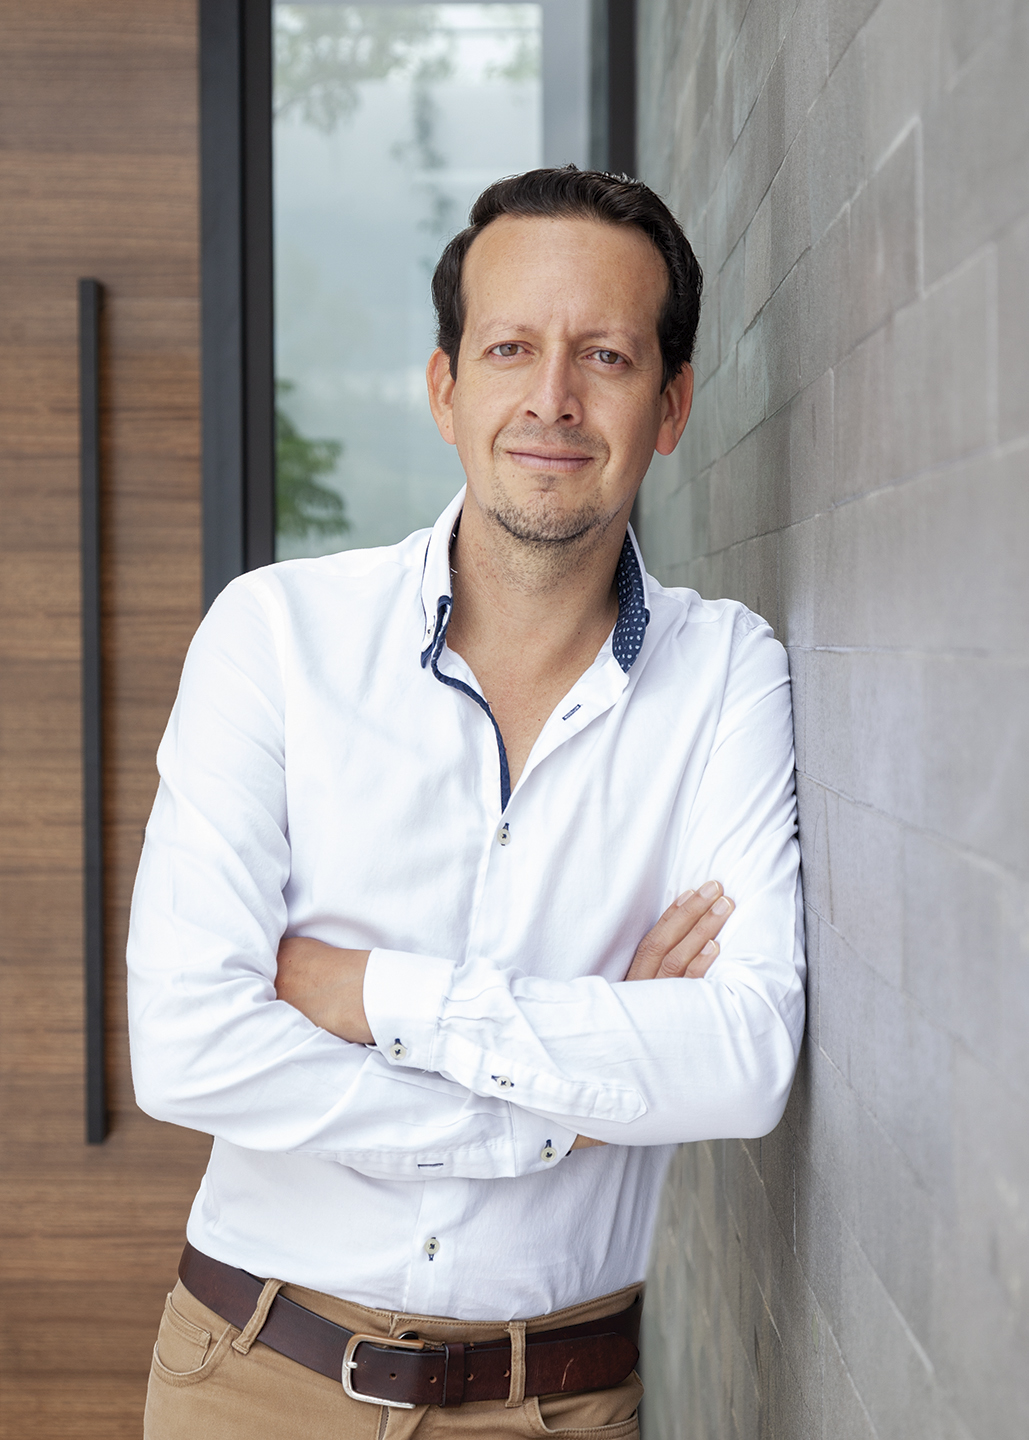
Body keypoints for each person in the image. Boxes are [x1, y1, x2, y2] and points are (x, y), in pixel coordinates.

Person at [128, 166, 805, 1439]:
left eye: (605, 355)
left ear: (671, 405)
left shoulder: (727, 676)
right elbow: (186, 1044)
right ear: (446, 389)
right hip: (255, 1377)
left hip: (558, 1400)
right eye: (510, 349)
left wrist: (375, 995)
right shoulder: (275, 638)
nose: (553, 399)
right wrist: (559, 1109)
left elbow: (743, 1058)